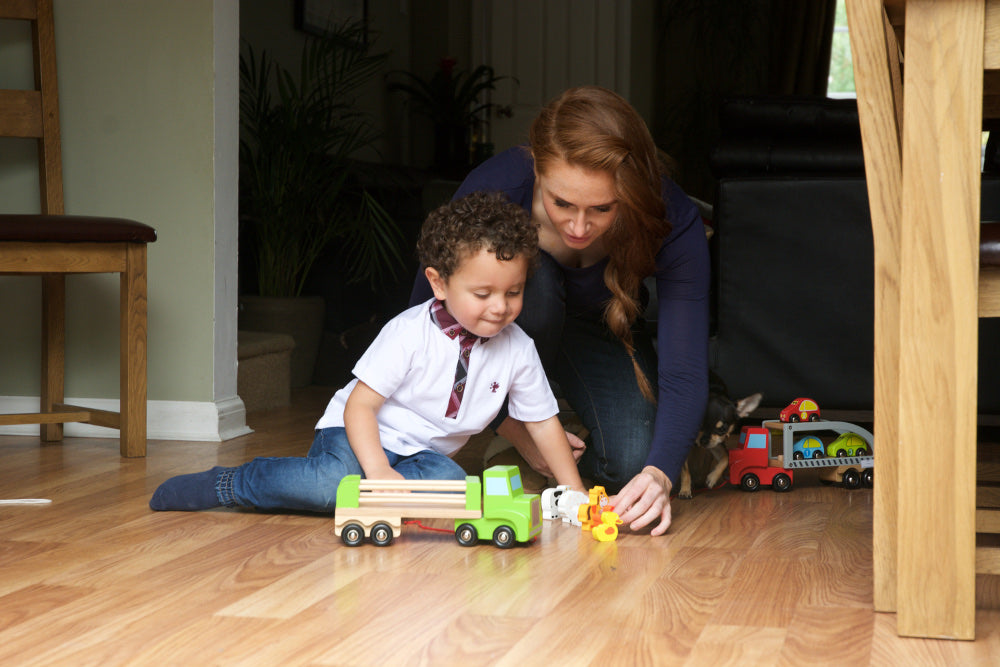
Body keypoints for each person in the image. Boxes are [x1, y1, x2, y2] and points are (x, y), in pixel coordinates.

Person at [150, 191, 586, 512]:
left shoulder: (518, 349)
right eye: (483, 292)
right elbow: (360, 407)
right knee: (331, 484)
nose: (500, 306)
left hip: (423, 456)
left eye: (514, 291)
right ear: (438, 283)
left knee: (454, 485)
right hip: (356, 434)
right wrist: (378, 472)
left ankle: (375, 496)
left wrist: (574, 492)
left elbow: (544, 423)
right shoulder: (409, 333)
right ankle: (231, 484)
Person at [410, 86, 710, 536]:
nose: (578, 227)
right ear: (536, 170)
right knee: (540, 286)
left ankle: (564, 433)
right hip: (510, 330)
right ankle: (515, 436)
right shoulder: (495, 188)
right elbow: (423, 325)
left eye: (602, 209)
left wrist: (660, 474)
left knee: (632, 462)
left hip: (597, 328)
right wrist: (517, 430)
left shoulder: (672, 216)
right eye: (561, 203)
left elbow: (684, 368)